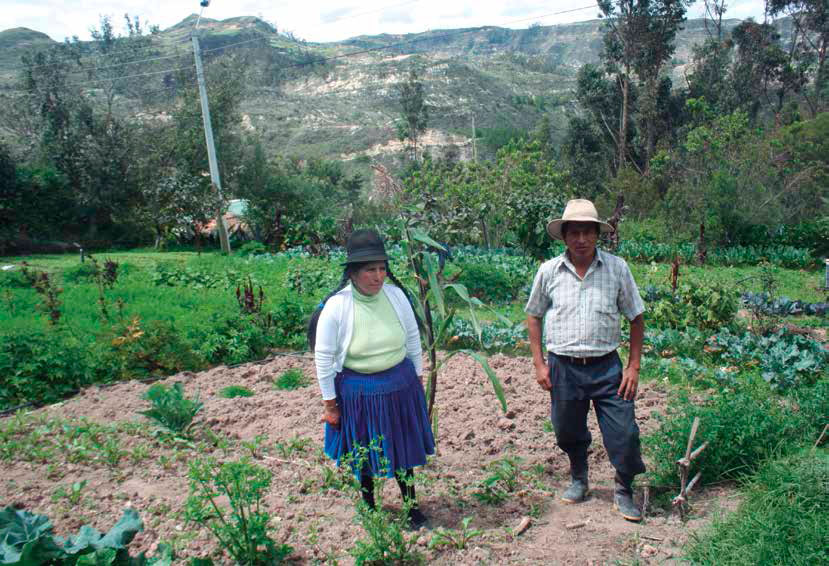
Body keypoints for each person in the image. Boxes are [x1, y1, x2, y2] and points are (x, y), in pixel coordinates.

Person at [524, 199, 646, 522]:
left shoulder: (617, 269)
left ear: (597, 235)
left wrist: (633, 366)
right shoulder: (548, 271)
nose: (581, 239)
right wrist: (539, 363)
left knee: (625, 432)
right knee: (566, 429)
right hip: (563, 366)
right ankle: (579, 478)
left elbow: (636, 316)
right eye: (574, 232)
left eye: (587, 232)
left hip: (607, 367)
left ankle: (623, 488)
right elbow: (533, 315)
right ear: (564, 236)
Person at [308, 229, 434, 528]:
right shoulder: (337, 307)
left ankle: (411, 508)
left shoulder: (396, 296)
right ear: (353, 272)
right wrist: (330, 405)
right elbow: (324, 359)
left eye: (382, 269)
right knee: (363, 451)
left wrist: (416, 379)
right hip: (359, 390)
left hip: (399, 384)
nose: (378, 277)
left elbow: (413, 339)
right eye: (369, 270)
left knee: (403, 450)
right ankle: (370, 507)